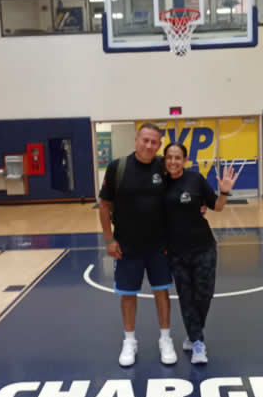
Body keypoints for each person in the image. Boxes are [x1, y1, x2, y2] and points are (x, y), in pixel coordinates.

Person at [99, 123, 177, 367]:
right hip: (127, 246)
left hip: (159, 246)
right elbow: (104, 206)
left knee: (161, 292)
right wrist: (109, 239)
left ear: (159, 145)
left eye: (154, 142)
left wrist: (200, 204)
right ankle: (129, 341)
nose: (149, 145)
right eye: (145, 140)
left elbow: (183, 190)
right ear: (136, 140)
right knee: (128, 294)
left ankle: (165, 339)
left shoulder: (164, 167)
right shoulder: (118, 167)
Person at [163, 143, 237, 364]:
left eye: (178, 157)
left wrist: (224, 192)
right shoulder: (159, 184)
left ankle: (193, 334)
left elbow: (217, 206)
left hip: (204, 247)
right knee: (186, 297)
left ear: (185, 160)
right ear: (164, 160)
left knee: (204, 295)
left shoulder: (195, 179)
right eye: (169, 157)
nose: (173, 161)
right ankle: (197, 343)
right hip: (176, 252)